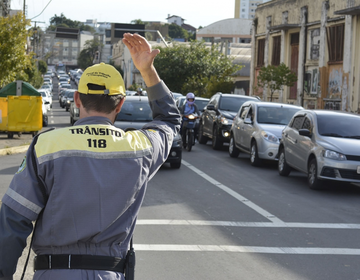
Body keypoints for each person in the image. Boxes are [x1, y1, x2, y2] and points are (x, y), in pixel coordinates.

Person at [0, 33, 181, 280]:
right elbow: (169, 120)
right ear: (120, 105)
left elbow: (14, 219)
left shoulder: (47, 144)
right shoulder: (140, 147)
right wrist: (147, 71)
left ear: (77, 99)